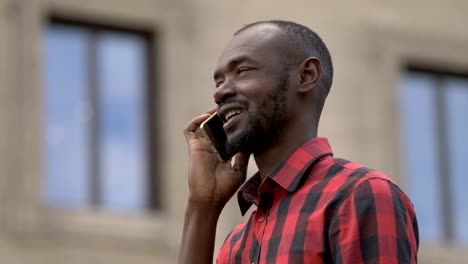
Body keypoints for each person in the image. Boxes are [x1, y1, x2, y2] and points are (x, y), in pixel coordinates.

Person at [179, 20, 419, 264]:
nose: (220, 93)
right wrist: (203, 206)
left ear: (306, 75)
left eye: (242, 71)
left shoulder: (359, 195)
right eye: (219, 82)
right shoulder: (235, 245)